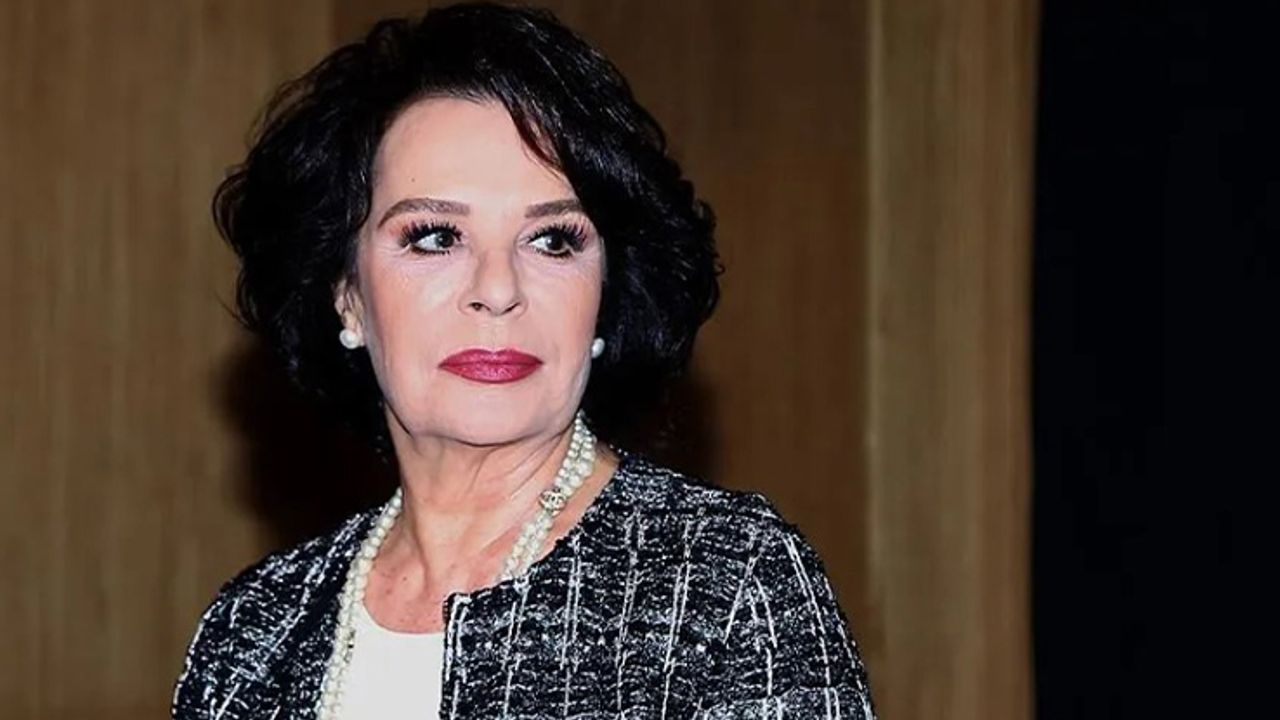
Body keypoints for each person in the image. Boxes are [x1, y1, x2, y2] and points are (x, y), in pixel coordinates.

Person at [173, 3, 874, 718]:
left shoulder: (727, 584)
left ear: (605, 294)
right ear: (347, 295)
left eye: (553, 240)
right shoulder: (254, 632)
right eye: (435, 236)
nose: (498, 289)